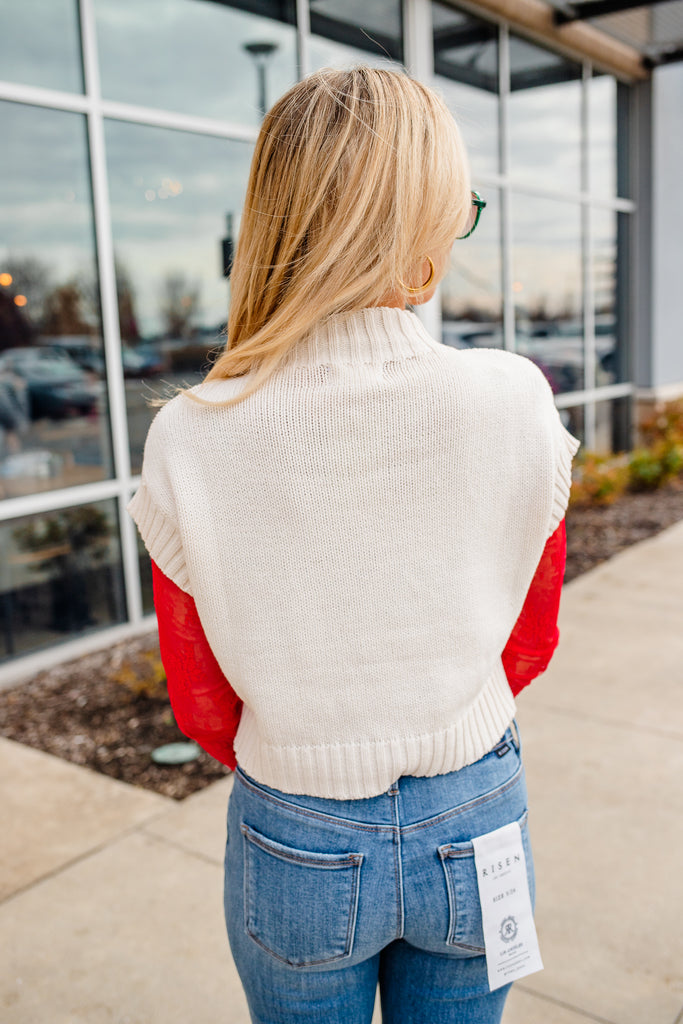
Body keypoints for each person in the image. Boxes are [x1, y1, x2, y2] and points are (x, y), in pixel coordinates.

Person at [129, 67, 580, 1024]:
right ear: (419, 224)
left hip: (295, 821)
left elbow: (199, 690)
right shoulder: (513, 398)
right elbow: (531, 634)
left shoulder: (192, 432)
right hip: (475, 805)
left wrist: (316, 732)